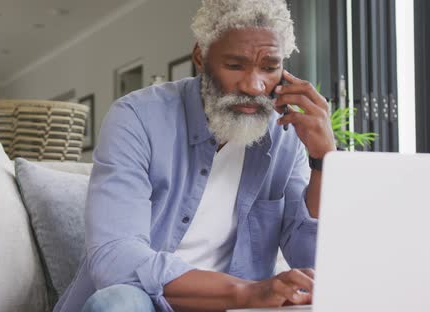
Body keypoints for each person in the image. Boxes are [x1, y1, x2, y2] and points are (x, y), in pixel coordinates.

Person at [54, 0, 336, 311]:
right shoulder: (137, 118)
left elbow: (314, 261)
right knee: (118, 302)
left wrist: (323, 160)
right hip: (147, 300)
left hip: (236, 307)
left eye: (269, 68)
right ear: (201, 56)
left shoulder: (286, 135)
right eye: (235, 65)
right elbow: (115, 258)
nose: (254, 85)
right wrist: (248, 293)